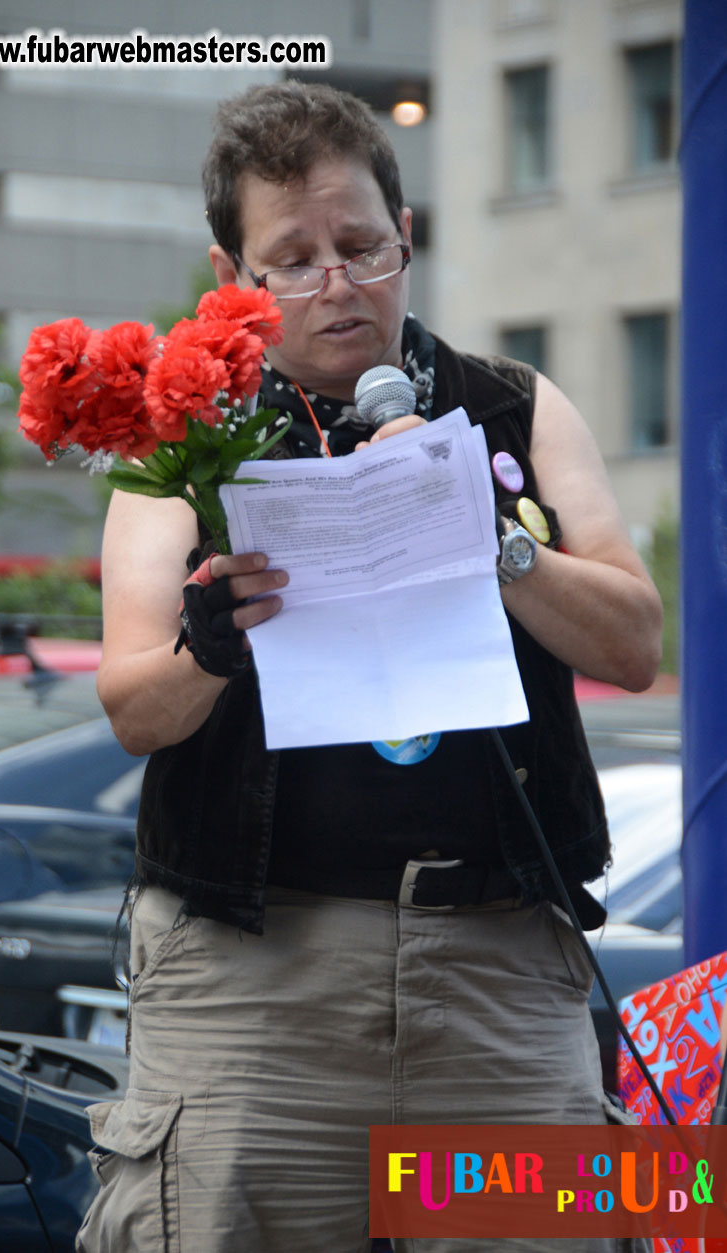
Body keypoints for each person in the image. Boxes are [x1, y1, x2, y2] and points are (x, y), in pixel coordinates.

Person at [76, 81, 662, 1253]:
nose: (337, 283)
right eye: (291, 258)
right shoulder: (182, 438)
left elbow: (634, 643)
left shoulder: (513, 406)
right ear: (229, 271)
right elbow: (133, 707)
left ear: (408, 234)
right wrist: (207, 648)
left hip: (497, 973)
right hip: (254, 981)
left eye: (361, 246)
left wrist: (491, 539)